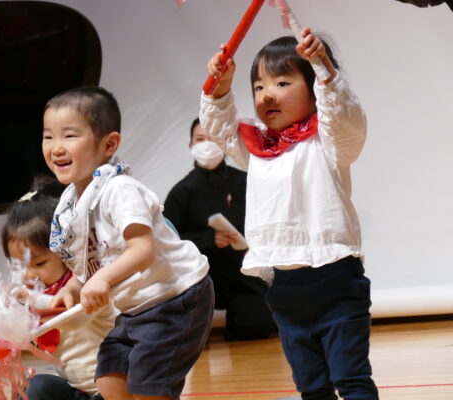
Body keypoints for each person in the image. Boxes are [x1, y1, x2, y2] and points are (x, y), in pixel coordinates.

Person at [200, 28, 378, 399]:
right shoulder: (256, 146)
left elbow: (344, 116)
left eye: (282, 82)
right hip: (284, 289)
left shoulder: (327, 139)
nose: (267, 95)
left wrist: (325, 68)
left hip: (336, 281)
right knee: (311, 386)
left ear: (314, 88)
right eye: (259, 87)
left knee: (352, 379)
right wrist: (220, 84)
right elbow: (219, 128)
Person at [43, 86, 214, 400]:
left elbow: (142, 251)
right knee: (109, 380)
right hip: (136, 308)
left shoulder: (119, 189)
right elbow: (89, 263)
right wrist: (72, 288)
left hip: (175, 297)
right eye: (48, 136)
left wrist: (103, 279)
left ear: (109, 144)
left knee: (148, 387)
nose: (55, 148)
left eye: (69, 136)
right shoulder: (69, 204)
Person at [0, 176, 114, 400]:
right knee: (35, 387)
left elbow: (72, 319)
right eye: (20, 266)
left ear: (67, 251)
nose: (29, 275)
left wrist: (27, 299)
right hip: (78, 392)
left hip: (114, 391)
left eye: (40, 263)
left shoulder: (88, 279)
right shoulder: (32, 295)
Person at [163, 118, 275, 341]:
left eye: (213, 139)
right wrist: (208, 239)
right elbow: (168, 242)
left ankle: (237, 320)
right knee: (186, 335)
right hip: (199, 277)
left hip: (241, 271)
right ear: (191, 145)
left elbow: (267, 222)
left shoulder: (246, 181)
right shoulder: (181, 191)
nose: (207, 144)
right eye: (200, 139)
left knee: (258, 324)